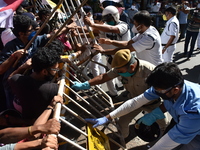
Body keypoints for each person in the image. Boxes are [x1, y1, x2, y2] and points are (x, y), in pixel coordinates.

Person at [86, 62, 200, 150]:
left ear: (175, 90)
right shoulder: (167, 87)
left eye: (159, 91)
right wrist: (108, 117)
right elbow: (136, 102)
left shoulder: (193, 111)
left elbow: (174, 138)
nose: (156, 93)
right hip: (181, 121)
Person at [71, 49, 168, 138]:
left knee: (165, 126)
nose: (118, 73)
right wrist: (86, 84)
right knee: (122, 122)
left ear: (132, 67)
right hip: (134, 101)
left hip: (153, 104)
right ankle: (123, 138)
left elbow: (167, 96)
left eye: (120, 72)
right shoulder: (121, 68)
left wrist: (155, 113)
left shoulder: (150, 71)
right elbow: (104, 77)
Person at [84, 5, 131, 97]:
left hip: (124, 57)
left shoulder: (123, 25)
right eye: (106, 19)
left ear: (115, 16)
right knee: (108, 77)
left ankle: (130, 93)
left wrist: (92, 24)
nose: (108, 22)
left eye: (110, 19)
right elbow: (94, 30)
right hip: (111, 56)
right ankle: (113, 94)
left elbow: (113, 29)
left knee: (126, 78)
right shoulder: (106, 26)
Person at [8, 47, 60, 119]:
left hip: (23, 116)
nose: (56, 71)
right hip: (39, 121)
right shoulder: (52, 89)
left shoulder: (17, 80)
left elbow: (10, 78)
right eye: (55, 69)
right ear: (44, 71)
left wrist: (23, 67)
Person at [96, 10, 163, 66]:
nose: (134, 26)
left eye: (135, 24)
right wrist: (110, 42)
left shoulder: (149, 38)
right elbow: (128, 43)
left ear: (141, 26)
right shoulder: (146, 31)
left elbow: (127, 49)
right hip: (145, 66)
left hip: (153, 68)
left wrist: (103, 51)